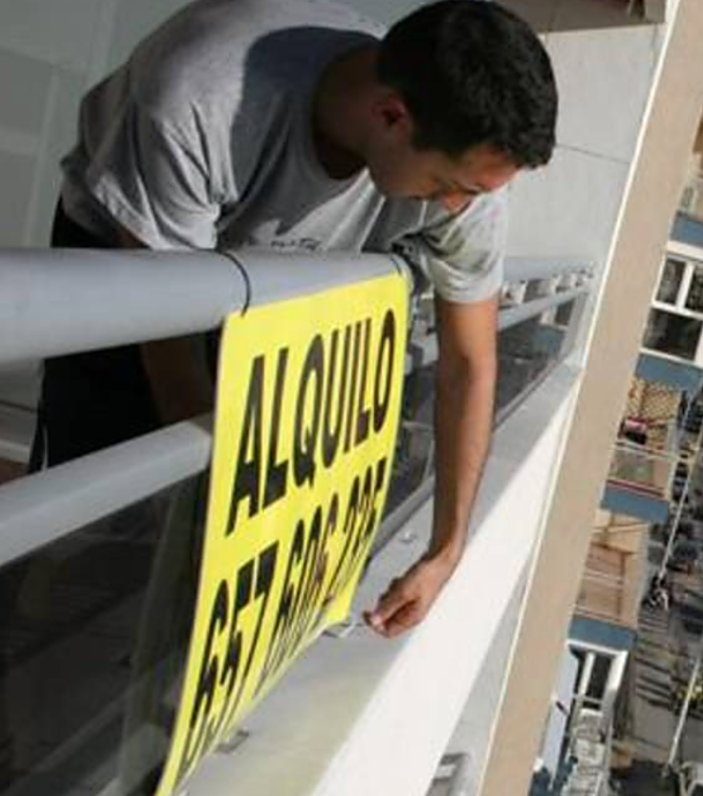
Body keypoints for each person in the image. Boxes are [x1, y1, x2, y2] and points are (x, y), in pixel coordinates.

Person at [37, 0, 558, 634]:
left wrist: (446, 550)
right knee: (96, 506)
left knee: (231, 510)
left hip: (267, 280)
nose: (457, 208)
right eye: (454, 186)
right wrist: (227, 514)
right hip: (126, 258)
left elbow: (469, 363)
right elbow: (170, 344)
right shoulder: (203, 96)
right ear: (391, 115)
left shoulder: (466, 174)